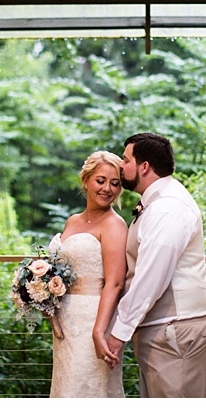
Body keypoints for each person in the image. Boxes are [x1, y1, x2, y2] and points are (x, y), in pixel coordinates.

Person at [105, 132, 206, 397]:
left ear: (144, 167)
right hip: (168, 331)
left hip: (176, 332)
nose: (121, 165)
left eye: (126, 159)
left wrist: (118, 332)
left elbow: (151, 278)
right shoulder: (159, 201)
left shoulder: (167, 208)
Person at [48, 150, 128, 397]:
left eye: (115, 183)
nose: (107, 189)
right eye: (101, 180)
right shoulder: (72, 221)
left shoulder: (114, 224)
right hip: (65, 318)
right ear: (85, 181)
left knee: (88, 386)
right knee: (66, 385)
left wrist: (98, 331)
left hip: (95, 318)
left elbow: (114, 283)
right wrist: (43, 296)